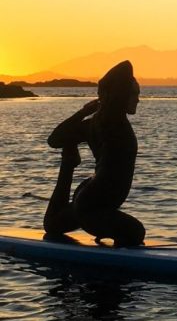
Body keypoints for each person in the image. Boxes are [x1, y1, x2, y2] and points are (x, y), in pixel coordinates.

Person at [43, 60, 145, 247]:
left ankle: (68, 164)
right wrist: (84, 111)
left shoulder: (95, 124)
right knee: (136, 233)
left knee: (52, 225)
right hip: (93, 206)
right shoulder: (111, 125)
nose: (138, 99)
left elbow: (56, 139)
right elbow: (54, 140)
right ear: (121, 95)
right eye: (134, 94)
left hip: (89, 198)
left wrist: (84, 113)